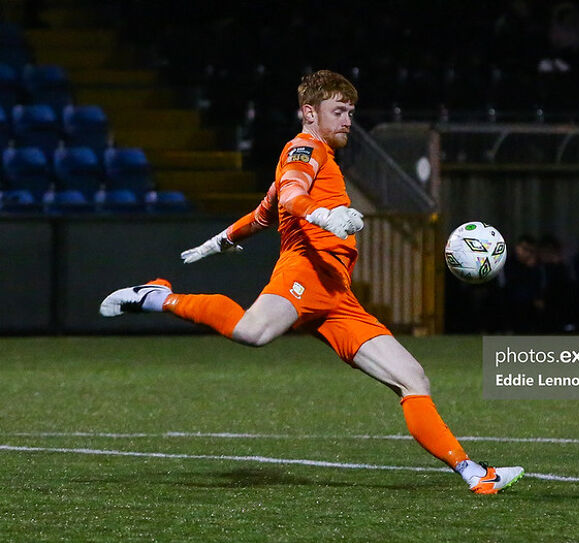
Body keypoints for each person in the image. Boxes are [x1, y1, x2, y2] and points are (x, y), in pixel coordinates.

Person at [99, 70, 523, 493]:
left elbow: (267, 210)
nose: (347, 121)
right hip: (304, 271)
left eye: (351, 112)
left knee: (413, 378)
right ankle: (160, 296)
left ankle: (474, 473)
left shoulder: (318, 158)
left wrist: (220, 241)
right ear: (309, 112)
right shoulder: (304, 148)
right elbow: (291, 196)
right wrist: (325, 217)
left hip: (336, 294)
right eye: (338, 111)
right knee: (252, 332)